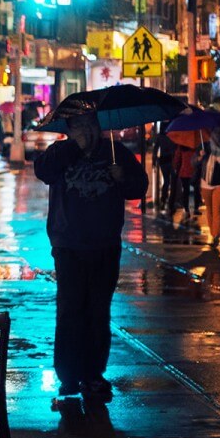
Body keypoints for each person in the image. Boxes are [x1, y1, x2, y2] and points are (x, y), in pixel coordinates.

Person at [34, 101, 148, 401]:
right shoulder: (60, 153)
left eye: (90, 124)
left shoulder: (115, 151)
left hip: (105, 245)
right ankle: (69, 376)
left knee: (98, 312)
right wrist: (75, 148)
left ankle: (93, 374)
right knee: (70, 311)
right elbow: (43, 171)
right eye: (79, 126)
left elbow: (139, 187)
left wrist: (124, 178)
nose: (87, 131)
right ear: (69, 130)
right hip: (69, 246)